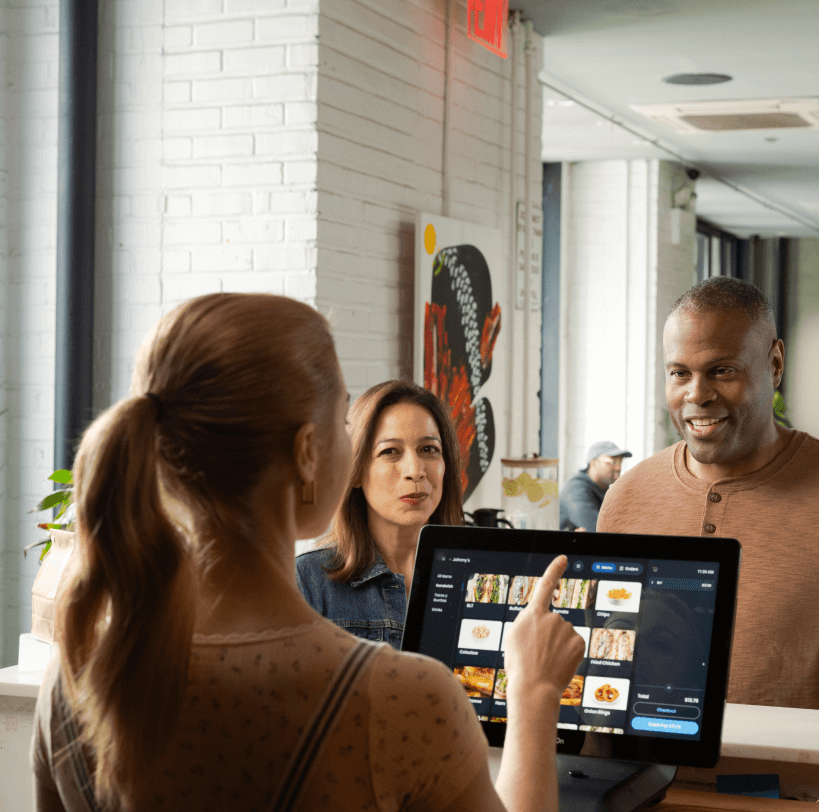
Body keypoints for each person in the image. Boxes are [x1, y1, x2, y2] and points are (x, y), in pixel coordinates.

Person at [32, 293, 584, 812]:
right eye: (343, 423)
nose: (412, 469)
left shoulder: (78, 680)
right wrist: (535, 692)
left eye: (427, 450)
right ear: (306, 452)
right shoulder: (407, 699)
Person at [596, 277, 819, 714]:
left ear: (775, 364)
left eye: (722, 370)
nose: (697, 394)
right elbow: (607, 677)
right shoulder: (625, 498)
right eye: (679, 373)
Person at [295, 380, 462, 648]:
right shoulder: (307, 580)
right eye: (390, 452)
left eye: (428, 449)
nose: (414, 470)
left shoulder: (482, 572)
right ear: (355, 471)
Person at [558, 441, 632, 531]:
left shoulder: (603, 489)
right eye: (612, 462)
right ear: (594, 463)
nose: (618, 468)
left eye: (620, 462)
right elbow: (597, 529)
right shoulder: (575, 491)